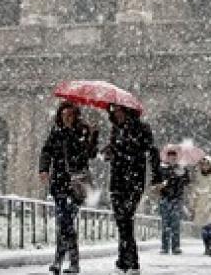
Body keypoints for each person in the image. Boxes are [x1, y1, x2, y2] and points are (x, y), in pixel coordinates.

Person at [38, 102, 98, 274]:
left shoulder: (83, 131)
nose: (67, 118)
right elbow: (46, 151)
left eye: (70, 115)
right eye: (64, 115)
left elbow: (90, 154)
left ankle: (65, 260)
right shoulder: (55, 132)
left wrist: (92, 137)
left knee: (66, 222)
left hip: (77, 184)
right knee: (63, 222)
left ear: (75, 115)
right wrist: (43, 169)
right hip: (59, 183)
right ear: (60, 115)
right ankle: (66, 261)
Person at [102, 105, 162, 275]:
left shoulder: (142, 128)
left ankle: (131, 262)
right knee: (121, 221)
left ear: (127, 111)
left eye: (119, 110)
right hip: (117, 180)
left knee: (126, 219)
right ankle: (124, 261)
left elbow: (153, 152)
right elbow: (115, 152)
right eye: (114, 111)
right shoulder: (115, 130)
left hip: (134, 179)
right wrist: (109, 152)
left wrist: (156, 178)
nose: (116, 113)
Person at [157, 148, 190, 254]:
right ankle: (164, 246)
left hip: (177, 198)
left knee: (175, 223)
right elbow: (156, 182)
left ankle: (175, 246)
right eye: (170, 156)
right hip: (165, 198)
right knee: (165, 224)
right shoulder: (162, 168)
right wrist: (161, 184)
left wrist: (182, 174)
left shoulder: (181, 168)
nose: (172, 158)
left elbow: (187, 181)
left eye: (174, 156)